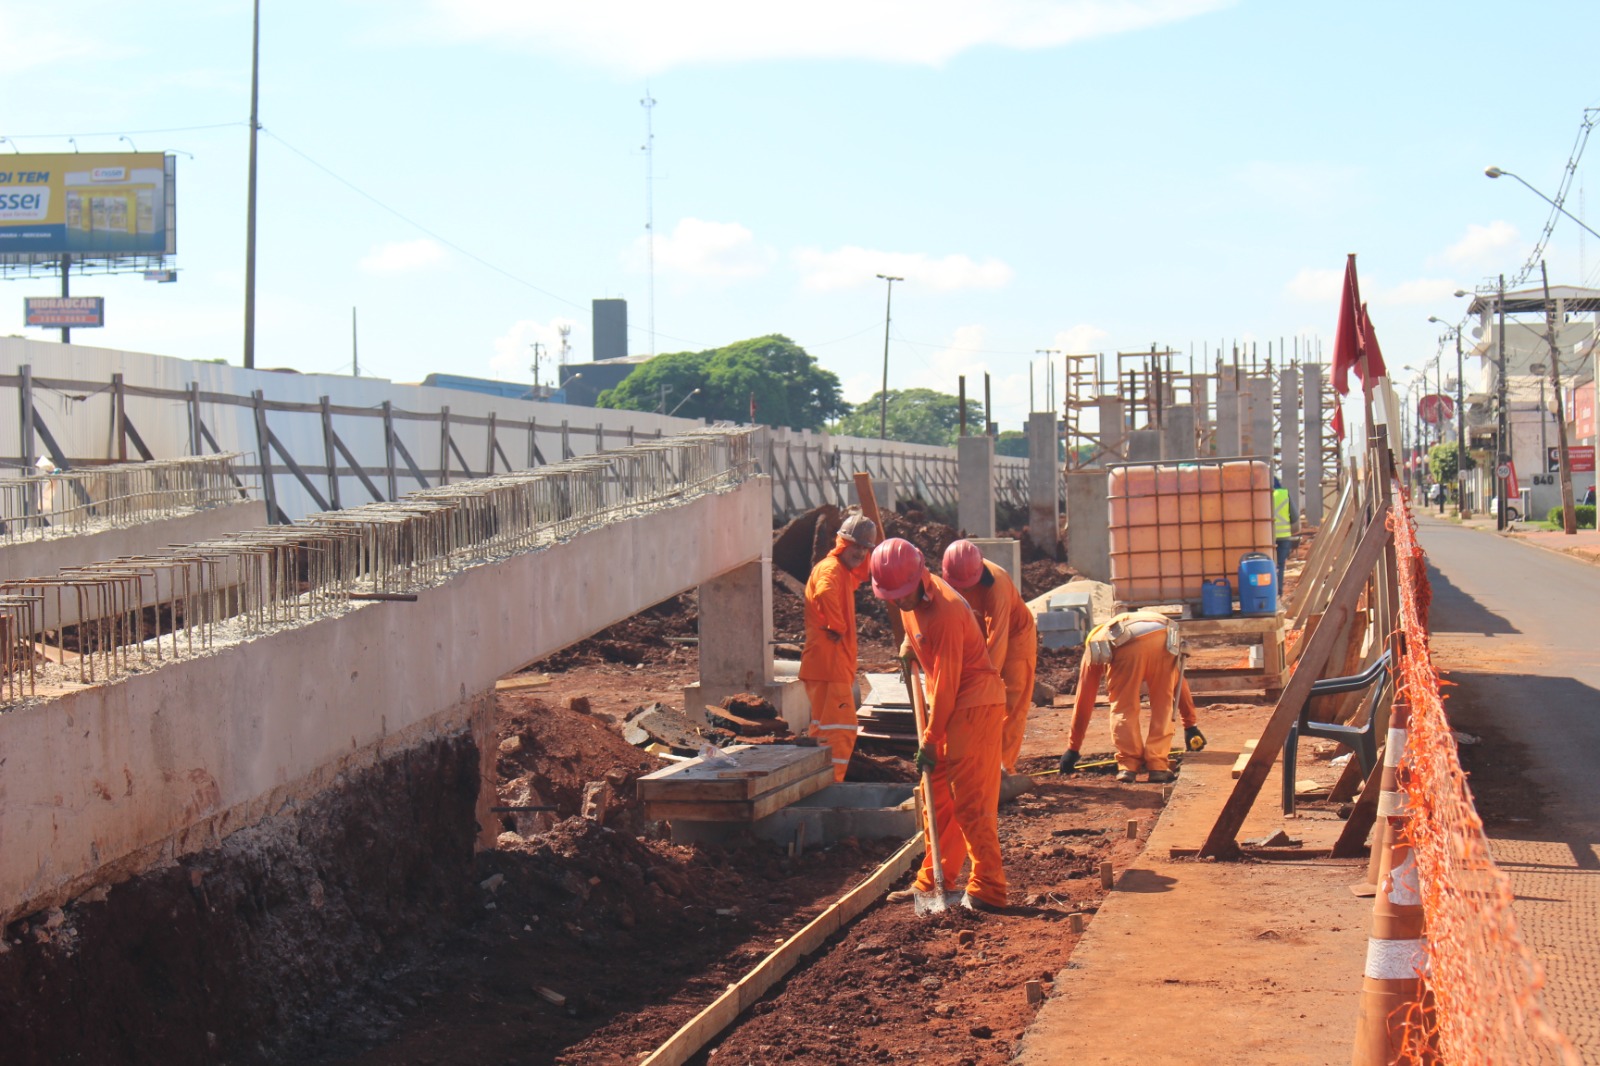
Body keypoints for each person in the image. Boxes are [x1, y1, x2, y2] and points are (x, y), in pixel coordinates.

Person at [872, 537, 1009, 912]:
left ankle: (988, 888)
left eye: (902, 593)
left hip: (974, 704)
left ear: (921, 577)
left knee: (971, 801)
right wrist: (908, 648)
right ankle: (935, 880)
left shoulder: (946, 611)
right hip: (946, 704)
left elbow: (949, 682)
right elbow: (923, 646)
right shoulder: (907, 602)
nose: (899, 601)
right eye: (892, 595)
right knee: (934, 796)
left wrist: (931, 739)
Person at [1056, 610, 1196, 784]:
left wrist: (1073, 748)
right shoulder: (1113, 628)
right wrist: (1191, 725)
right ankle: (1158, 765)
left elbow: (1084, 699)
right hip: (1165, 635)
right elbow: (1179, 681)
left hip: (1128, 645)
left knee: (1123, 706)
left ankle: (1128, 766)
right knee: (1164, 703)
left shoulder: (1096, 642)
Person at [940, 540, 1038, 777]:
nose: (962, 590)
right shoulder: (953, 575)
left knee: (1011, 702)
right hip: (980, 634)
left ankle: (1002, 767)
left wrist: (984, 681)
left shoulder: (997, 585)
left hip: (1015, 638)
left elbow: (998, 638)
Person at [798, 513, 877, 782]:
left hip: (827, 667)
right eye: (856, 545)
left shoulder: (838, 570)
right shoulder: (831, 569)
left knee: (823, 731)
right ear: (842, 542)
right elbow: (824, 592)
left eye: (865, 548)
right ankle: (832, 786)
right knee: (840, 730)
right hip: (830, 667)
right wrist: (837, 626)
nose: (861, 552)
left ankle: (817, 783)